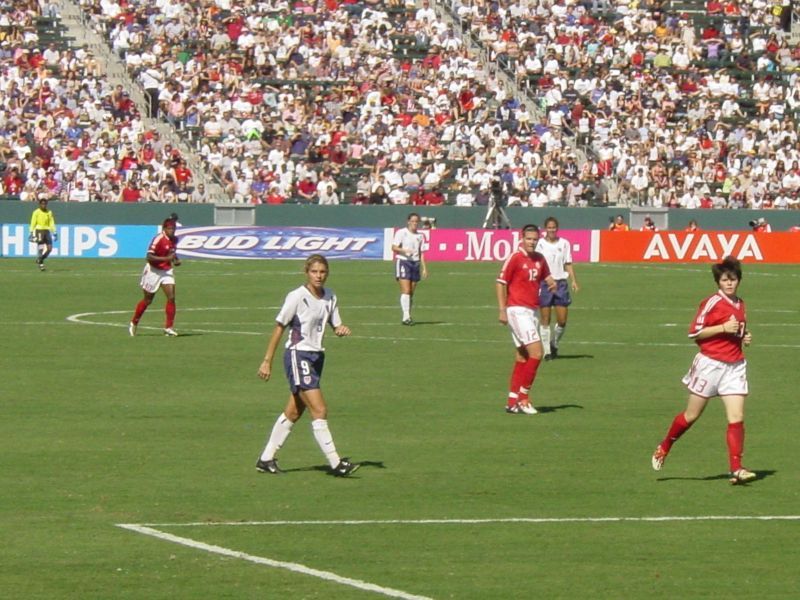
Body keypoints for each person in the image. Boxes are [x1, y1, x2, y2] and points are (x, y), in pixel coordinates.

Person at [651, 257, 757, 485]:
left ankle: (736, 468)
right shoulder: (711, 303)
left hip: (735, 366)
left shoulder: (741, 304)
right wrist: (722, 328)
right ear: (718, 282)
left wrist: (743, 336)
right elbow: (694, 333)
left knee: (736, 417)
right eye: (724, 280)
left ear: (739, 280)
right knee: (692, 415)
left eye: (733, 279)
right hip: (710, 365)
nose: (729, 284)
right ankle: (665, 445)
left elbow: (737, 331)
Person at [255, 254, 359, 477]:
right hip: (297, 355)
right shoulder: (296, 296)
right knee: (319, 409)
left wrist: (341, 329)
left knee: (294, 411)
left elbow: (336, 324)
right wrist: (267, 361)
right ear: (306, 272)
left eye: (322, 272)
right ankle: (336, 463)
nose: (319, 276)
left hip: (317, 357)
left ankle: (265, 459)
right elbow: (279, 327)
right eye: (314, 272)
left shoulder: (330, 297)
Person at [496, 224, 557, 414]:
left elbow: (546, 276)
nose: (532, 242)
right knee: (537, 353)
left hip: (531, 312)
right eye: (529, 239)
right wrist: (502, 310)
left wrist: (551, 282)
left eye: (535, 239)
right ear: (522, 238)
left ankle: (512, 401)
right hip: (517, 310)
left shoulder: (540, 259)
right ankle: (523, 398)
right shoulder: (515, 257)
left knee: (522, 355)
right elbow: (500, 283)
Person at [536, 217, 580, 360]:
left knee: (562, 320)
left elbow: (568, 263)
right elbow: (535, 263)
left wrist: (573, 281)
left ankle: (554, 343)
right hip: (545, 283)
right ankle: (547, 352)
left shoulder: (564, 243)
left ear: (557, 228)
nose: (552, 230)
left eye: (554, 227)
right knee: (545, 319)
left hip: (561, 283)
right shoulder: (540, 244)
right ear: (545, 229)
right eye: (549, 227)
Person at [128, 218, 181, 337]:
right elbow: (149, 257)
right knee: (148, 300)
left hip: (166, 271)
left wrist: (176, 260)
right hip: (153, 271)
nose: (172, 231)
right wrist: (166, 259)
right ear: (164, 229)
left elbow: (172, 252)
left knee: (171, 297)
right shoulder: (158, 239)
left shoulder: (174, 239)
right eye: (170, 229)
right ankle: (134, 322)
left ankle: (168, 328)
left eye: (173, 229)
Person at [391, 212, 428, 325]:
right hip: (403, 262)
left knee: (411, 292)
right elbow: (393, 247)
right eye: (412, 221)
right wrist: (405, 251)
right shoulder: (401, 233)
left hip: (415, 264)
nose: (414, 223)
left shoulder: (420, 236)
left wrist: (424, 268)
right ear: (408, 221)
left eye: (416, 221)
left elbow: (421, 253)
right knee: (406, 290)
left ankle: (408, 315)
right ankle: (406, 317)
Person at [29, 198, 57, 271]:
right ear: (40, 204)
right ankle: (41, 264)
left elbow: (51, 222)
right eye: (42, 204)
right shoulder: (36, 212)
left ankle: (40, 259)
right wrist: (31, 232)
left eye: (45, 204)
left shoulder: (49, 212)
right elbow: (33, 222)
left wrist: (54, 231)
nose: (44, 205)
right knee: (41, 248)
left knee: (50, 249)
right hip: (39, 231)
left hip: (47, 231)